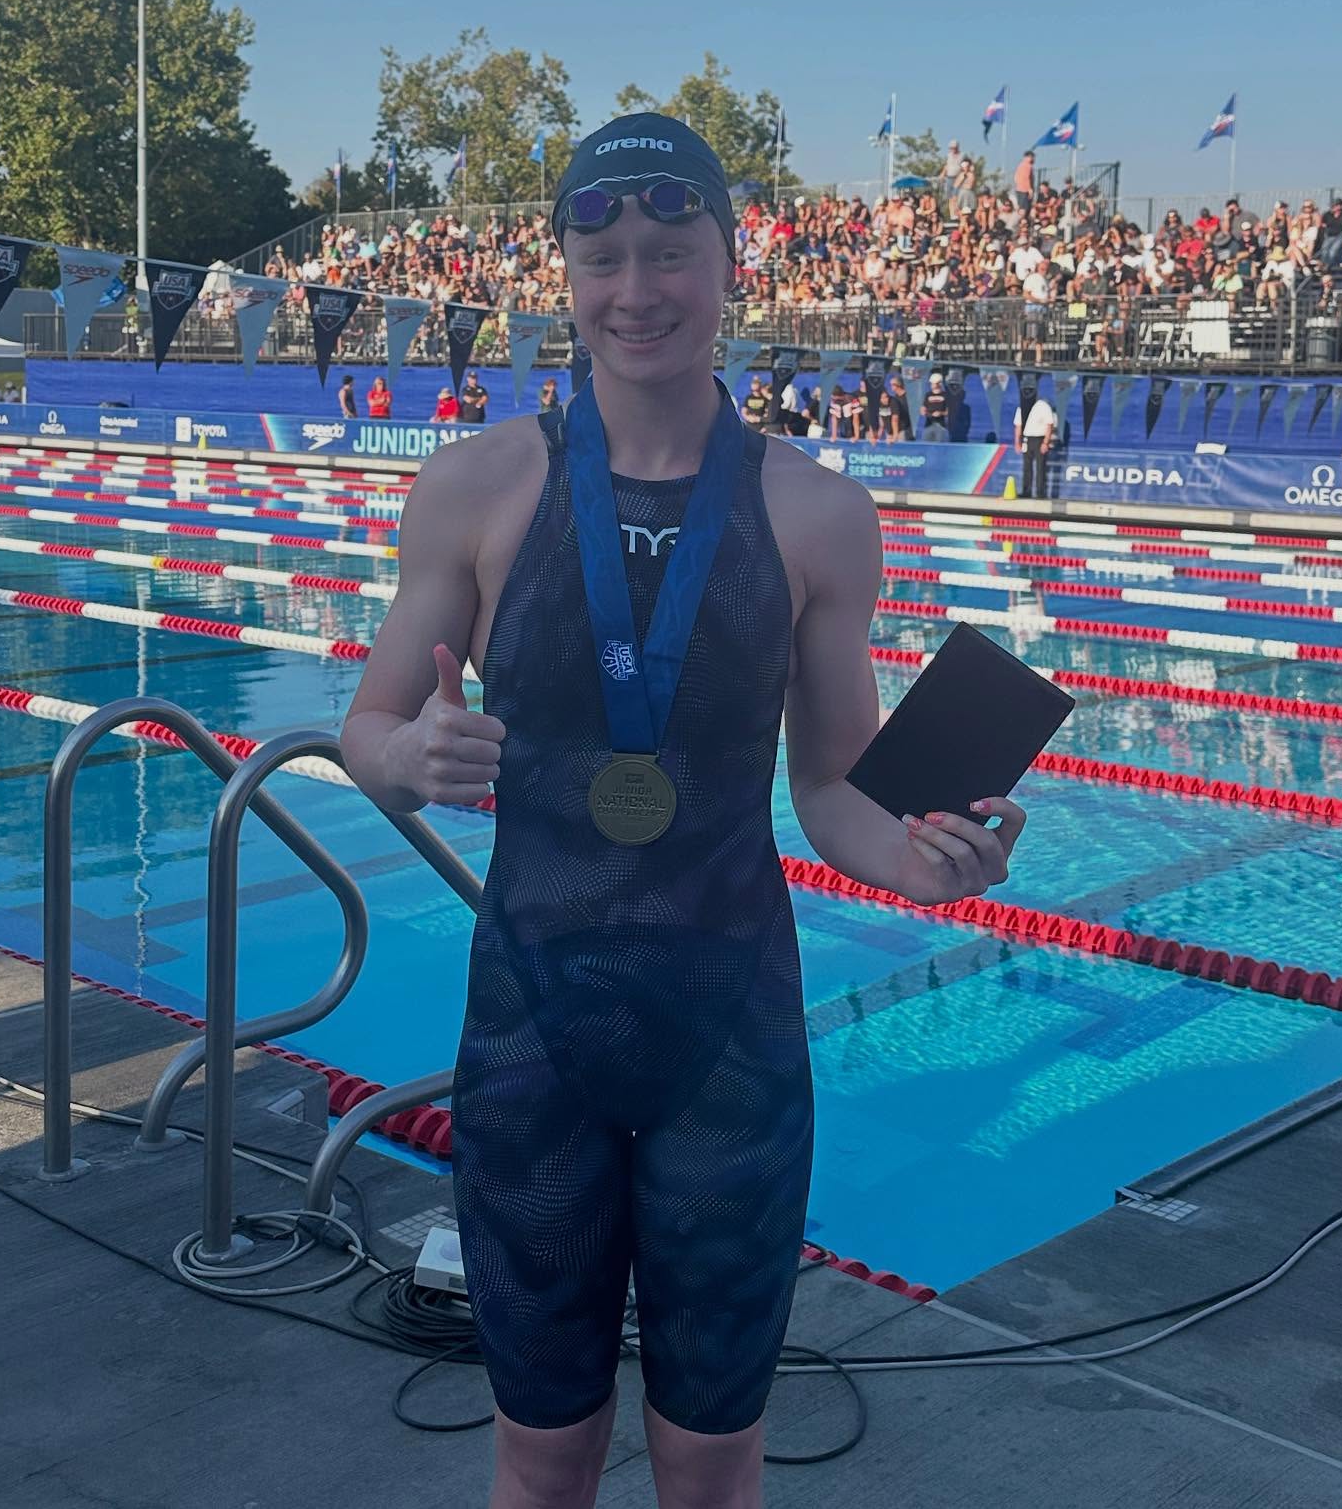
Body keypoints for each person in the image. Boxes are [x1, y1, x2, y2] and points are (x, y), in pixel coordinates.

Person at [340, 111, 1026, 1509]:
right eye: (603, 254)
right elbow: (367, 724)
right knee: (541, 1456)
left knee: (713, 1464)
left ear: (730, 261)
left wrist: (923, 858)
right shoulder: (475, 485)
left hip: (732, 1034)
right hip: (534, 1029)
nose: (636, 286)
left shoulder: (818, 511)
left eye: (671, 250)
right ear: (566, 274)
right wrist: (403, 760)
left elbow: (830, 776)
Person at [1013, 389, 1056, 499]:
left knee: (1040, 467)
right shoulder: (1022, 406)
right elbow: (1018, 426)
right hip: (1027, 438)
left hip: (1039, 439)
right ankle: (1026, 491)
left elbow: (1049, 424)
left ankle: (1040, 493)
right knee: (1027, 467)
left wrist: (1046, 442)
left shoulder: (1043, 406)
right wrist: (1017, 442)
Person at [919, 370, 950, 441]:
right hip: (928, 424)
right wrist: (923, 411)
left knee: (939, 445)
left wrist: (941, 413)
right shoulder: (928, 395)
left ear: (939, 384)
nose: (932, 385)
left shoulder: (946, 395)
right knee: (926, 445)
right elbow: (923, 408)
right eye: (931, 383)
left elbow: (949, 411)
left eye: (934, 383)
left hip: (941, 425)